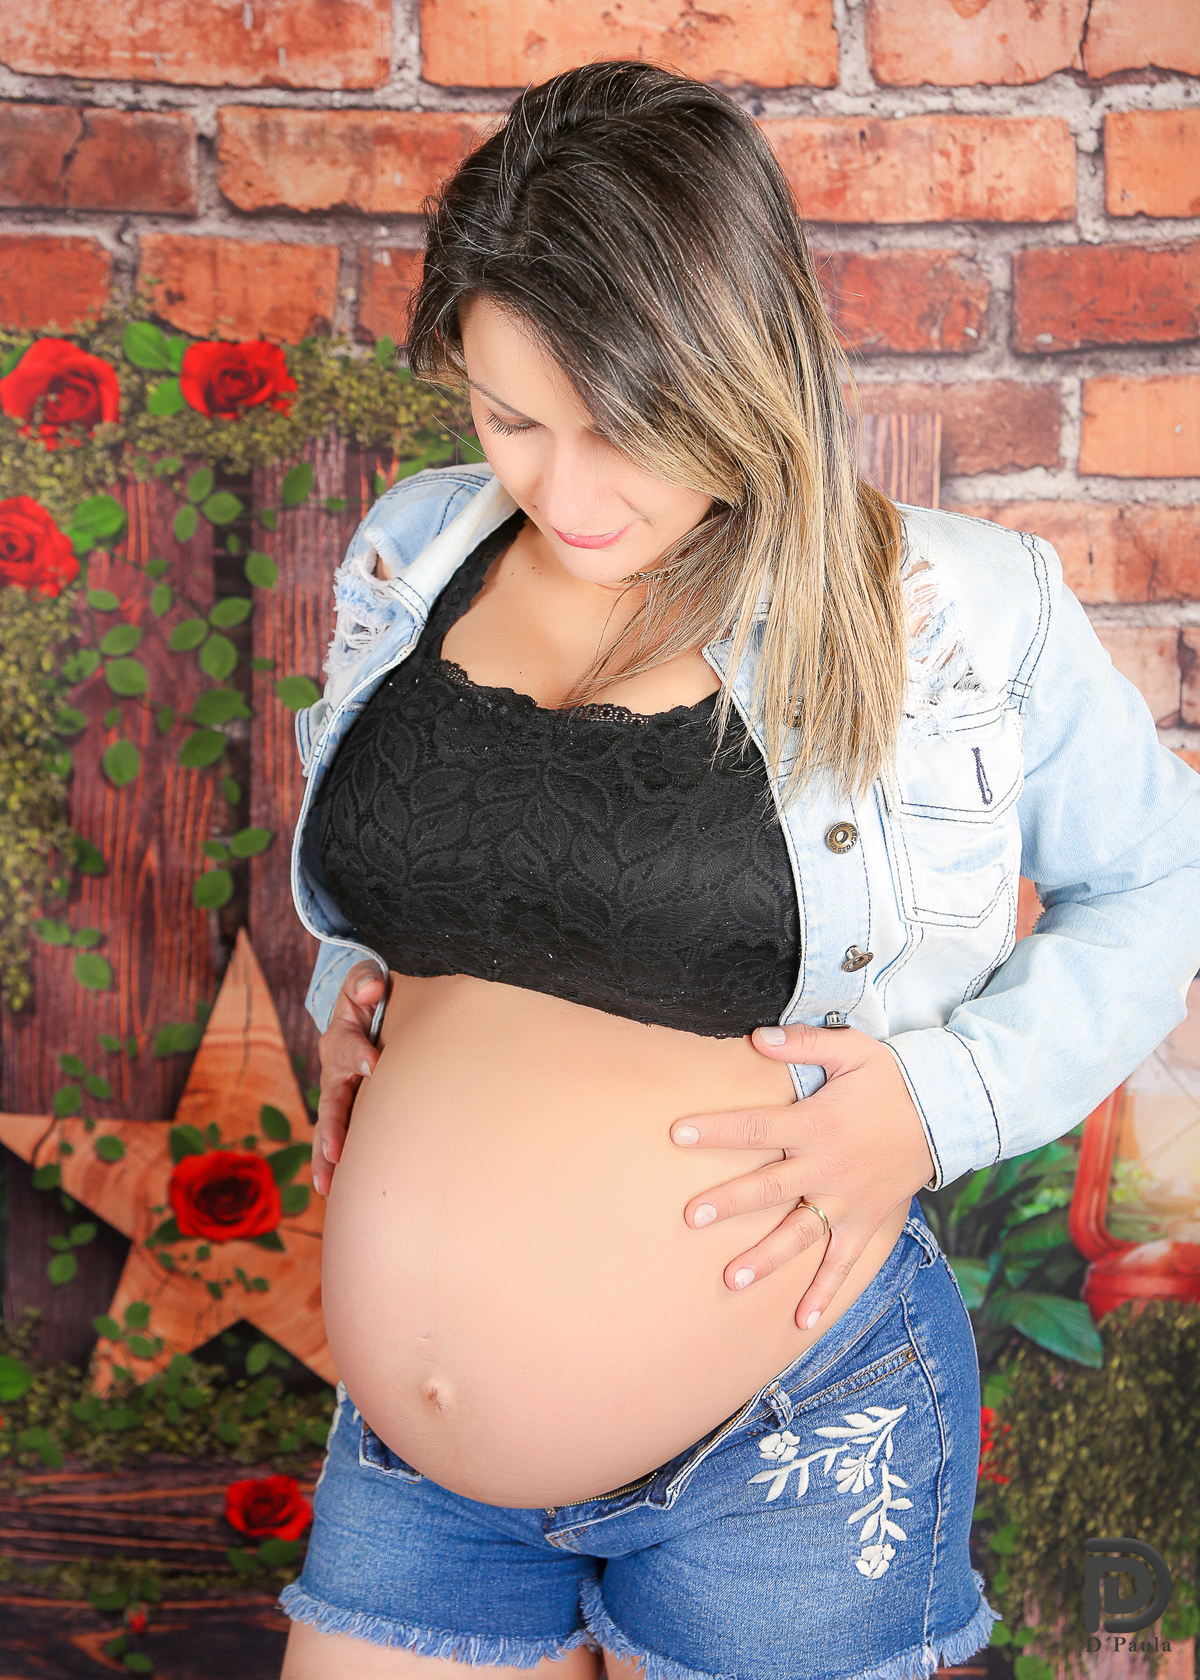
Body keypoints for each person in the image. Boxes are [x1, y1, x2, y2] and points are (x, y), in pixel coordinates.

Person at [277, 60, 1200, 1680]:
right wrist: (354, 987)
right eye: (510, 416)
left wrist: (935, 1104)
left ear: (739, 363)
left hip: (789, 1446)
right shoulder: (416, 549)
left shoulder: (958, 614)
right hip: (412, 1463)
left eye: (624, 426)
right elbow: (407, 882)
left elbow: (1164, 885)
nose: (564, 491)